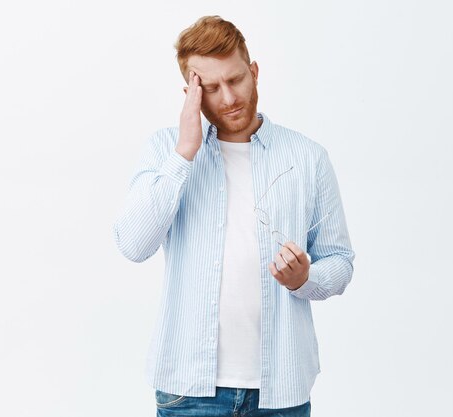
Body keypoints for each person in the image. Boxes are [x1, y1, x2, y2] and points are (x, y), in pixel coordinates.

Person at [113, 15, 355, 417]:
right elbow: (133, 245)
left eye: (236, 79)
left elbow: (340, 261)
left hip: (280, 391)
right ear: (191, 92)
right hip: (188, 391)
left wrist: (305, 278)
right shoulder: (165, 151)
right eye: (210, 87)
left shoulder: (307, 158)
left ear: (254, 71)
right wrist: (184, 152)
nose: (228, 98)